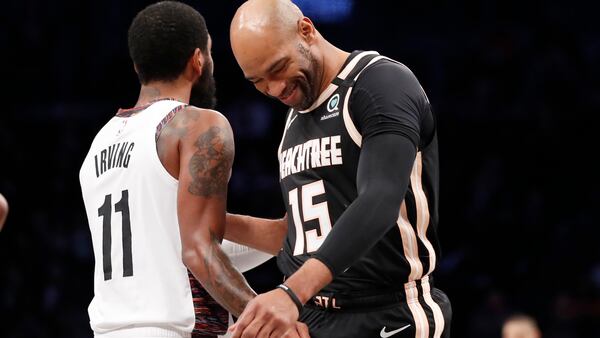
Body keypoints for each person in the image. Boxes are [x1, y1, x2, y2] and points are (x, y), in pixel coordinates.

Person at [79, 2, 308, 338]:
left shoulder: (98, 144)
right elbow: (198, 251)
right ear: (198, 60)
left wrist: (284, 235)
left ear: (137, 66)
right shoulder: (195, 125)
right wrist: (267, 321)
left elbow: (170, 252)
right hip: (175, 329)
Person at [226, 0, 452, 337]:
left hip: (389, 312)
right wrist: (212, 222)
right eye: (258, 81)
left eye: (278, 68)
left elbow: (379, 201)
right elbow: (298, 237)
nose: (273, 89)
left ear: (306, 30)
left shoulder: (380, 82)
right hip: (312, 315)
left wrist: (290, 293)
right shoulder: (294, 119)